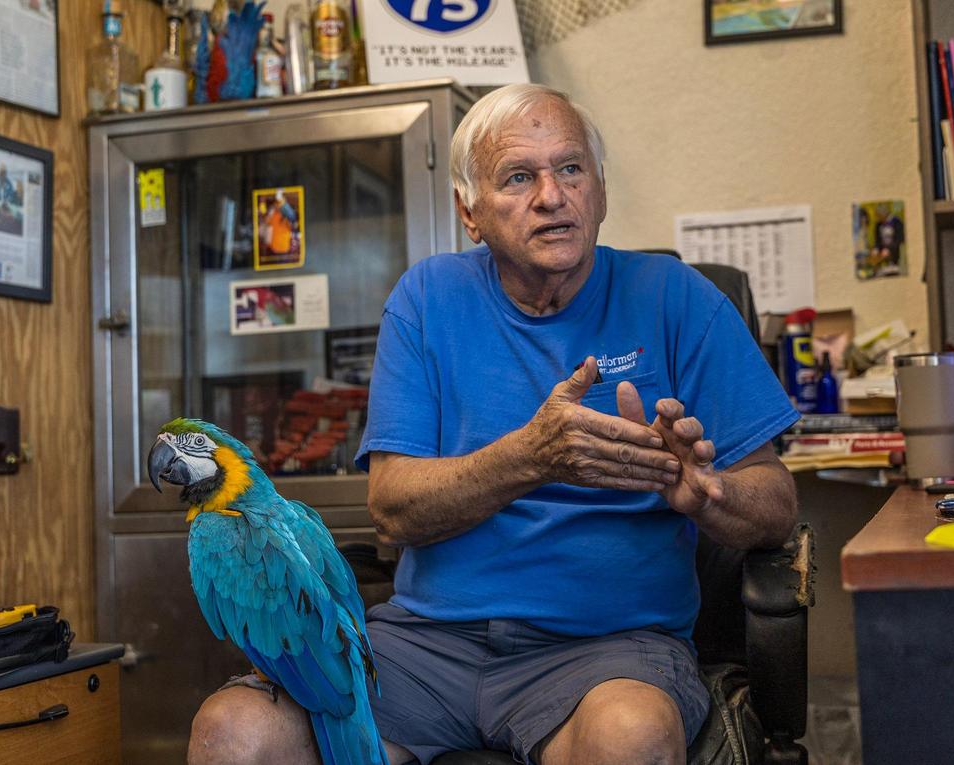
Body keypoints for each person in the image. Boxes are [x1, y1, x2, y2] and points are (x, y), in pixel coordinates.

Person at [188, 83, 798, 765]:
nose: (551, 194)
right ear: (469, 213)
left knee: (631, 735)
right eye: (518, 176)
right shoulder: (427, 298)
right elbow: (392, 509)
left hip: (607, 648)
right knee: (234, 734)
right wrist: (531, 456)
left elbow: (775, 504)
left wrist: (708, 495)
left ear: (600, 189)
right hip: (424, 647)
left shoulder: (677, 298)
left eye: (570, 168)